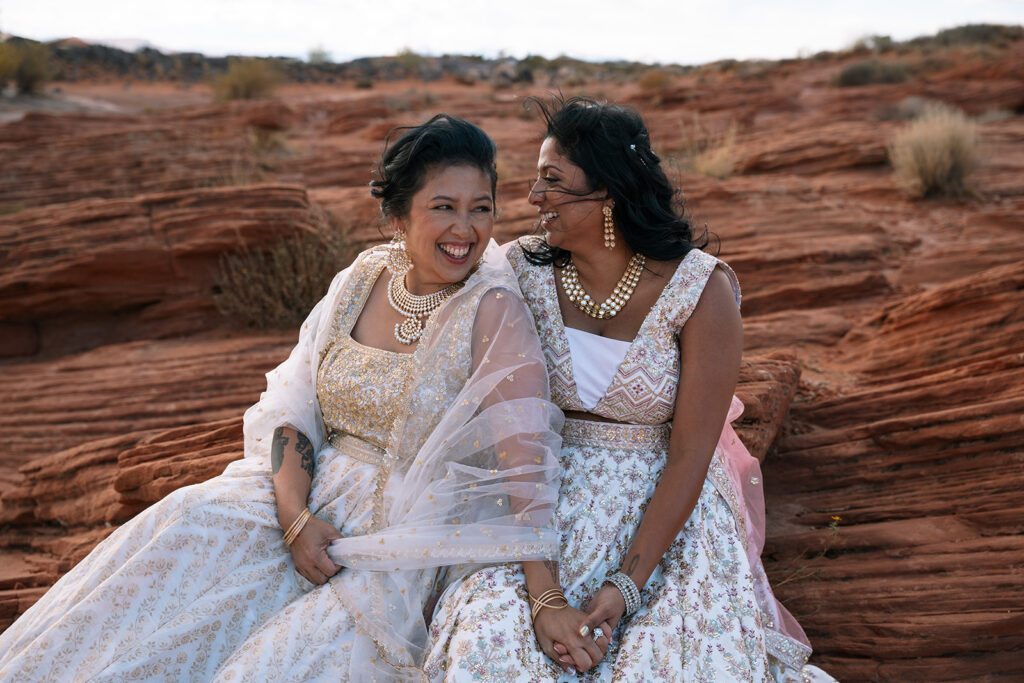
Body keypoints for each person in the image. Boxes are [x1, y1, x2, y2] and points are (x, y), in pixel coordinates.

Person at [0, 114, 564, 682]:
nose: (464, 229)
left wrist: (546, 600)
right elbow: (294, 407)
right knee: (181, 530)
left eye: (481, 207)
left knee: (270, 666)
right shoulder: (363, 277)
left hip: (397, 535)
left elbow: (525, 466)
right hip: (301, 495)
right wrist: (294, 517)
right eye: (443, 206)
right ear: (398, 215)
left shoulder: (493, 310)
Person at [424, 97, 836, 681]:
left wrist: (626, 586)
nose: (533, 196)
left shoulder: (702, 291)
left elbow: (692, 454)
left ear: (608, 193)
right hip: (538, 495)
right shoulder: (517, 269)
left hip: (664, 511)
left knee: (662, 660)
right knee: (490, 638)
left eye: (552, 181)